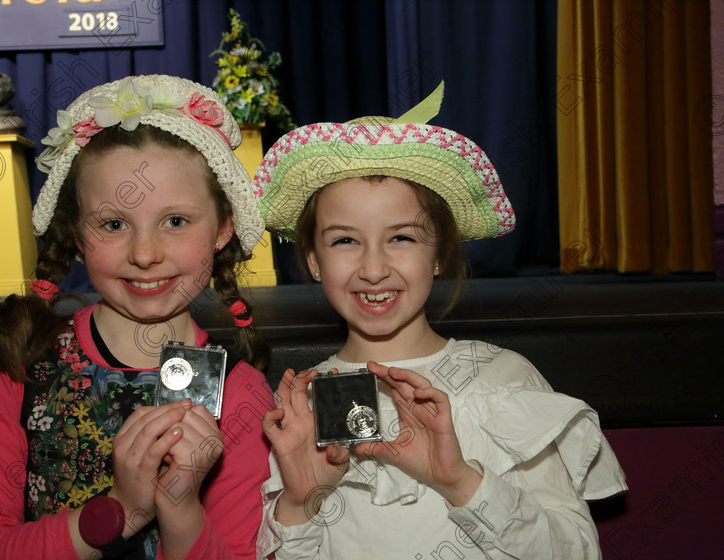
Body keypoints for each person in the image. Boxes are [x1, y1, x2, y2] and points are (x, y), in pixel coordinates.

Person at [252, 84, 627, 559]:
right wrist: (302, 502)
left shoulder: (501, 380)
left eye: (402, 238)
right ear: (313, 260)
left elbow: (575, 551)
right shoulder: (302, 404)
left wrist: (461, 482)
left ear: (439, 255)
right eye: (345, 240)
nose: (373, 268)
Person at [0, 75, 274, 560]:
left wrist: (180, 509)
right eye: (114, 224)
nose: (145, 254)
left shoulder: (242, 393)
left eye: (176, 221)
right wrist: (120, 509)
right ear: (77, 233)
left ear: (222, 228)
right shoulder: (16, 363)